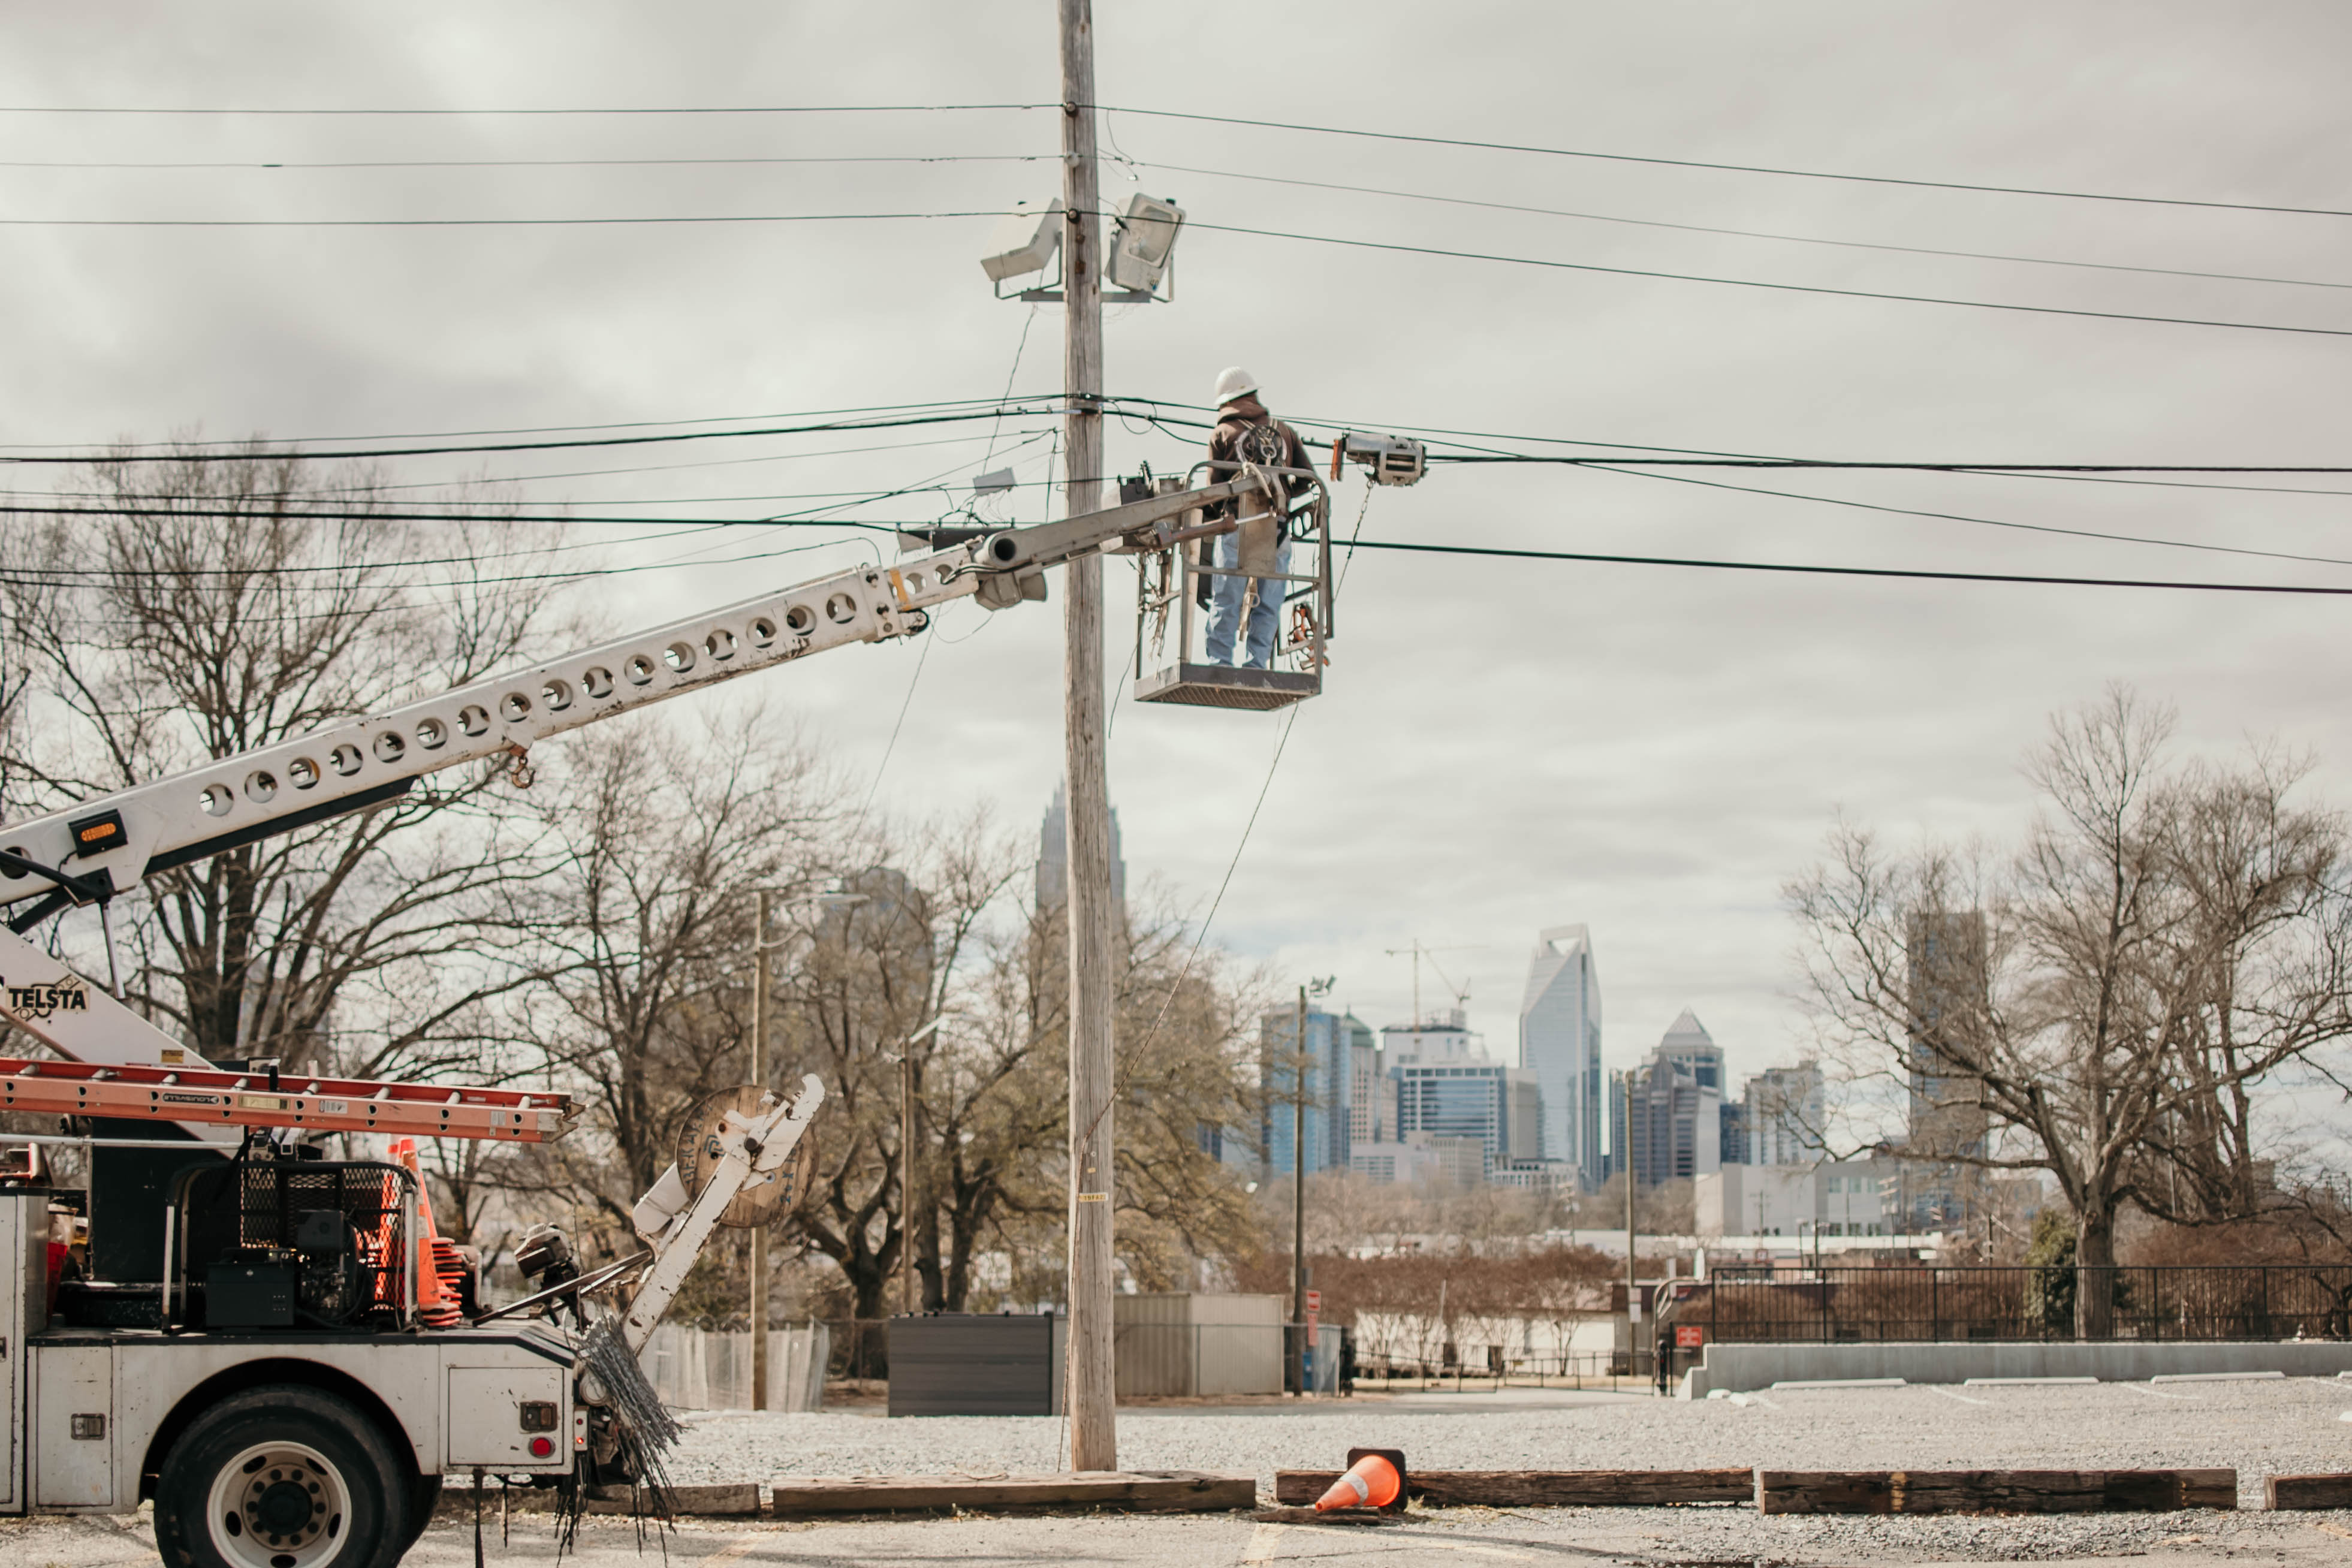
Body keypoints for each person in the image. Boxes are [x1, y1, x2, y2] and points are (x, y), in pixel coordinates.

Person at [1203, 366, 1311, 669]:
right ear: (1253, 394)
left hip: (1236, 528)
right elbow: (1308, 479)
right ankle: (1258, 664)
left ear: (1225, 402)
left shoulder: (1222, 433)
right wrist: (1284, 495)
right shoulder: (1284, 431)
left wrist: (1216, 516)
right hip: (1277, 530)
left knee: (1227, 600)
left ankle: (1220, 662)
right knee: (1269, 601)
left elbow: (1213, 492)